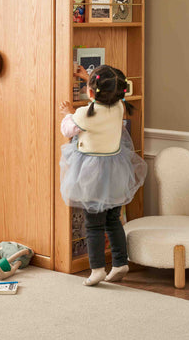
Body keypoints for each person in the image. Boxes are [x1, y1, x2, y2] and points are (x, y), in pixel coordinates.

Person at [59, 64, 147, 286]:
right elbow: (106, 93)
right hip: (115, 171)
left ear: (90, 92)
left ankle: (97, 269)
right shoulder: (118, 107)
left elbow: (68, 130)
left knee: (93, 224)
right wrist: (88, 77)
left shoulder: (83, 114)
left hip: (91, 174)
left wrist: (67, 113)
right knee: (112, 219)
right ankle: (120, 262)